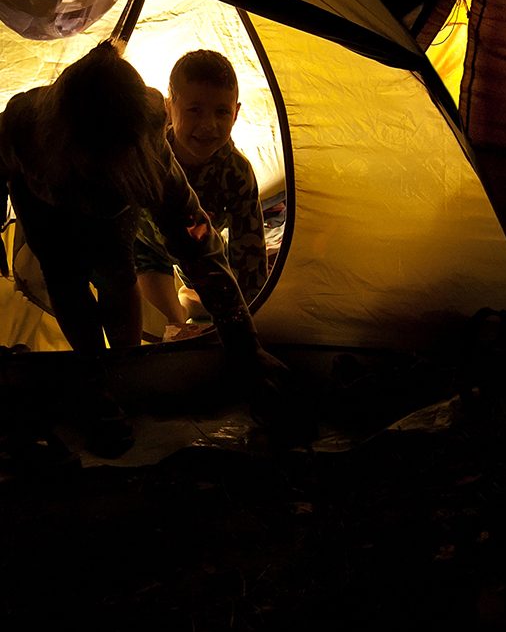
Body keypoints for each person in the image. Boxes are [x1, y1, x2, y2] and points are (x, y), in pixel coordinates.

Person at [0, 39, 294, 458]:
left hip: (118, 215)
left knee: (118, 274)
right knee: (66, 279)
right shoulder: (21, 127)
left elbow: (199, 243)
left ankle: (125, 376)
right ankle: (94, 379)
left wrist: (245, 345)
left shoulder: (149, 134)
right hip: (44, 205)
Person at [135, 49, 268, 334]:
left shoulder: (236, 174)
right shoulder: (147, 152)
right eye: (194, 110)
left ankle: (191, 298)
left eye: (222, 112)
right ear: (169, 108)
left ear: (236, 113)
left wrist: (247, 322)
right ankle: (183, 304)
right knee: (167, 329)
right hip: (148, 248)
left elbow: (250, 260)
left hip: (199, 251)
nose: (208, 125)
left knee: (221, 311)